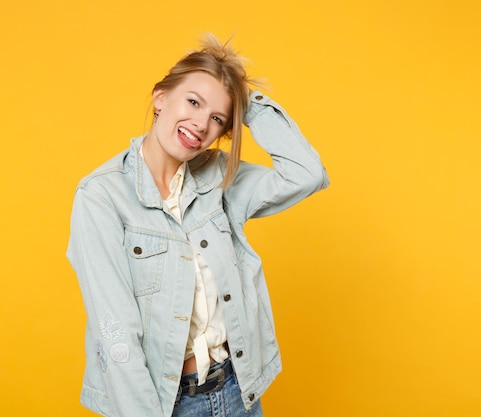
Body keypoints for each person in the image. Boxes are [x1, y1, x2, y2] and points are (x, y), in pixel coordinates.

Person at [66, 34, 329, 417]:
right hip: (164, 404)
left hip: (238, 393)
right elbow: (116, 331)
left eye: (217, 118)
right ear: (160, 99)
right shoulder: (102, 197)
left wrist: (244, 99)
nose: (200, 123)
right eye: (193, 101)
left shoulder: (218, 178)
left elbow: (307, 175)